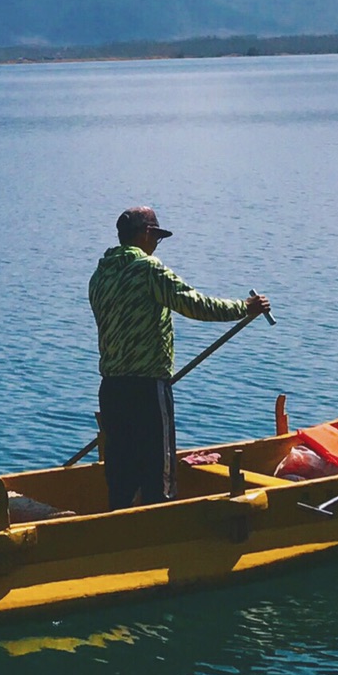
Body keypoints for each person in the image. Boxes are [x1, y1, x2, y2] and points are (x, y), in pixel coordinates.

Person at [88, 207, 270, 510]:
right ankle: (163, 532)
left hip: (111, 390)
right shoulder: (148, 270)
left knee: (120, 474)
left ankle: (118, 534)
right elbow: (196, 305)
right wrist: (244, 307)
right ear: (146, 234)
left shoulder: (99, 276)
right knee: (159, 472)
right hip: (147, 389)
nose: (156, 244)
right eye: (156, 238)